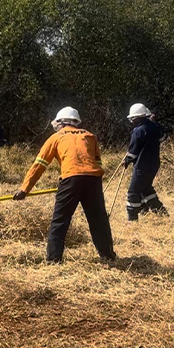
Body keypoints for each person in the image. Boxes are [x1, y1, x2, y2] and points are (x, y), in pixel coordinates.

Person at [13, 107, 117, 263]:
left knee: (60, 220)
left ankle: (53, 259)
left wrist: (24, 189)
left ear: (60, 122)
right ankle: (107, 255)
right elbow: (98, 162)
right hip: (93, 179)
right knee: (98, 219)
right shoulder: (89, 136)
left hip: (71, 179)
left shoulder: (56, 137)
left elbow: (39, 165)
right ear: (76, 122)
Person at [122, 103, 167, 221]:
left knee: (133, 191)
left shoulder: (138, 131)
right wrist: (155, 123)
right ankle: (161, 213)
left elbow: (133, 152)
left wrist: (127, 160)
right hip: (154, 165)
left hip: (142, 166)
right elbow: (163, 137)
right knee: (146, 188)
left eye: (132, 119)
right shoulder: (154, 127)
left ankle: (132, 219)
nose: (131, 121)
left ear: (136, 118)